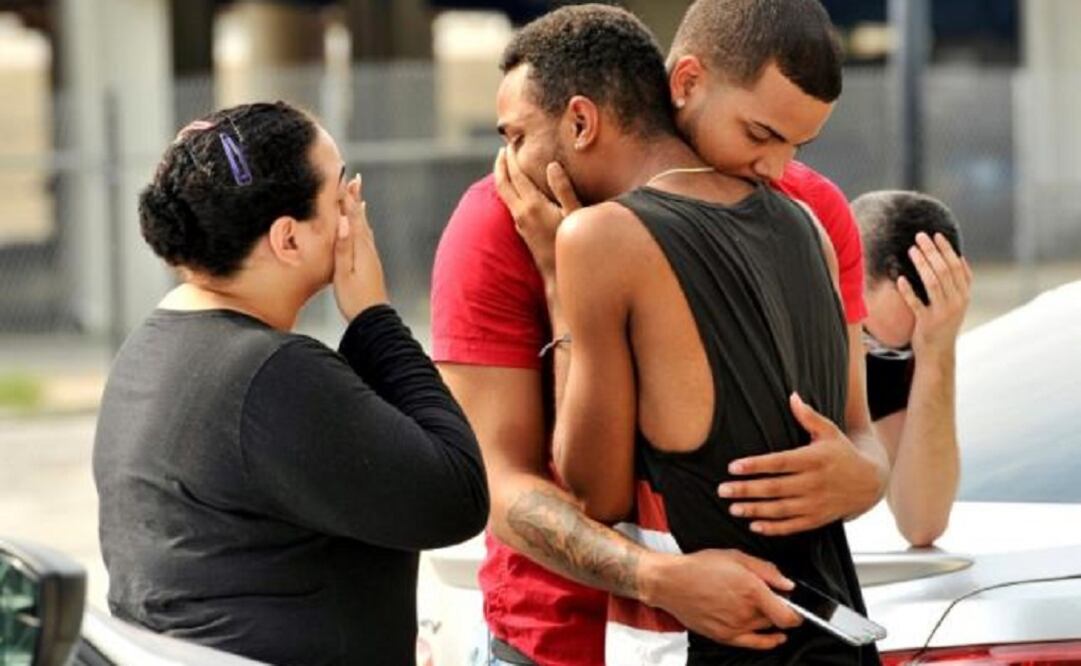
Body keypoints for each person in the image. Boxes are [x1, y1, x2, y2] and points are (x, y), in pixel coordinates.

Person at [432, 1, 888, 664]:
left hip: (718, 636)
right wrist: (657, 580)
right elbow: (498, 482)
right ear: (685, 83)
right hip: (567, 636)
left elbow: (857, 433)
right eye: (758, 134)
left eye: (794, 145)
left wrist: (865, 477)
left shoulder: (807, 207)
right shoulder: (496, 223)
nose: (773, 167)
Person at [93, 101, 489, 666]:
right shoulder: (268, 374)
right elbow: (456, 496)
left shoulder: (152, 348)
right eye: (337, 198)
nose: (354, 212)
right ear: (289, 239)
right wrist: (374, 316)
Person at [852, 190, 970, 546]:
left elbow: (921, 522)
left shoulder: (890, 350)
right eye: (866, 338)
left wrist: (936, 351)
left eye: (891, 351)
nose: (866, 356)